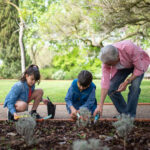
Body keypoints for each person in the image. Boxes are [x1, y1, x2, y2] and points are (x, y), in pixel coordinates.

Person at [94, 40, 150, 118]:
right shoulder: (106, 59)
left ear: (117, 57)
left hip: (139, 65)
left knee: (135, 87)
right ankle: (125, 114)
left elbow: (139, 69)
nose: (108, 65)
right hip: (124, 67)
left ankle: (130, 116)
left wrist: (126, 82)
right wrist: (100, 105)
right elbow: (105, 83)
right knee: (111, 88)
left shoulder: (129, 47)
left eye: (110, 64)